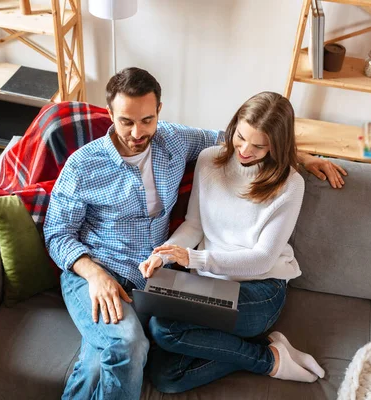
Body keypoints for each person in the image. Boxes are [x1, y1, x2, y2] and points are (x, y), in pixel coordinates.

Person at [44, 68, 345, 400]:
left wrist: (294, 155)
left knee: (107, 361)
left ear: (160, 110)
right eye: (126, 121)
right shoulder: (83, 165)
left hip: (156, 278)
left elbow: (235, 141)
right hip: (95, 271)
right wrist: (95, 274)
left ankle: (266, 358)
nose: (137, 132)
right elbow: (57, 232)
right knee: (127, 345)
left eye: (147, 120)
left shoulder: (175, 141)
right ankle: (265, 356)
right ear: (109, 114)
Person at [139, 91, 325, 393]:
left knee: (165, 329)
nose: (245, 150)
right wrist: (165, 254)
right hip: (208, 283)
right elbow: (194, 226)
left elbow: (263, 258)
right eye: (240, 137)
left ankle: (264, 356)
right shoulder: (209, 160)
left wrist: (195, 260)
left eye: (259, 145)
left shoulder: (291, 184)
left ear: (276, 145)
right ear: (234, 125)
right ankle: (268, 355)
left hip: (260, 288)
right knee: (165, 377)